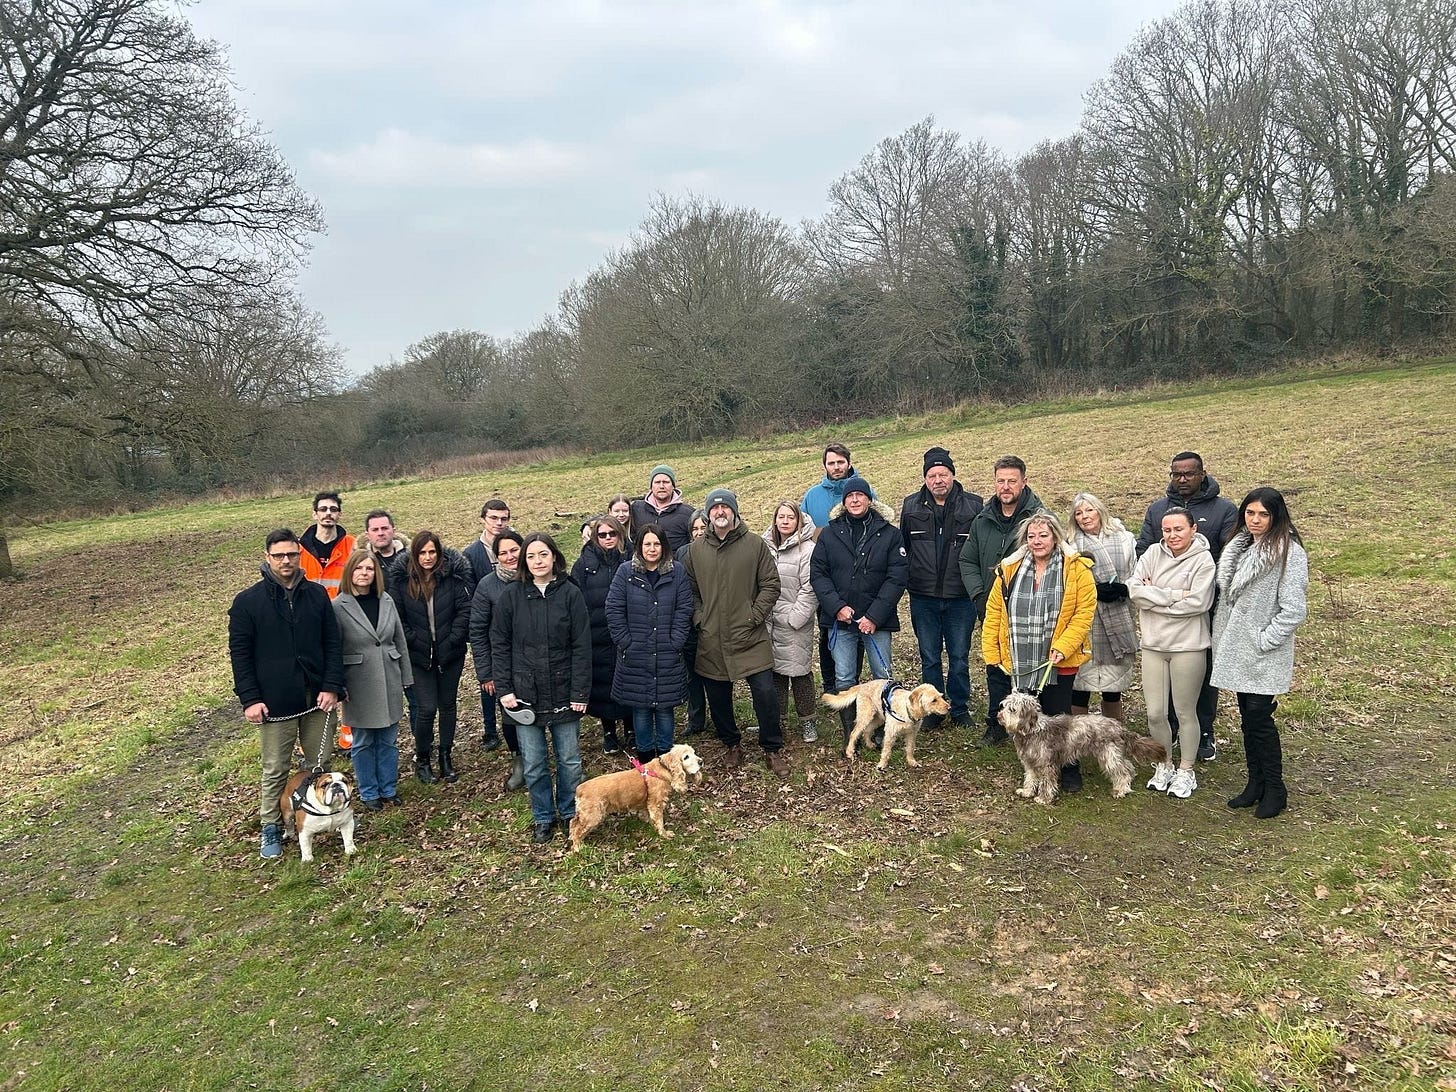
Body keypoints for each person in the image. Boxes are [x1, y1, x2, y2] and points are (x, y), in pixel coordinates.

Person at [227, 529, 343, 859]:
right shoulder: (248, 602)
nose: (286, 561)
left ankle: (322, 816)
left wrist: (332, 685)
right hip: (274, 703)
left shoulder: (317, 596)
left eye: (292, 554)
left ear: (299, 556)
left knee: (319, 764)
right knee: (275, 768)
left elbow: (332, 643)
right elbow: (240, 653)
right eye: (279, 555)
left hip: (316, 700)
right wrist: (249, 698)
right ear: (267, 558)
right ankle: (271, 826)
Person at [1210, 487, 1309, 819]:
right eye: (1250, 513)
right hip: (1236, 648)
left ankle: (1276, 789)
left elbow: (1293, 610)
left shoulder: (1289, 553)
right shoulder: (1238, 546)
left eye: (1263, 514)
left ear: (1276, 516)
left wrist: (1264, 640)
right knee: (1247, 718)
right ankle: (1255, 783)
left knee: (1260, 719)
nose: (1255, 520)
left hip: (1263, 651)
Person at [982, 511, 1096, 792]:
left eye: (1043, 535)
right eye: (1031, 536)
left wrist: (1063, 646)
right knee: (1028, 719)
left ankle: (1069, 770)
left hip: (1059, 659)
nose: (1037, 541)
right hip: (1019, 659)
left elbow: (1084, 613)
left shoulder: (1076, 569)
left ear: (1056, 536)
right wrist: (992, 653)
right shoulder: (1009, 569)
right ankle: (1035, 767)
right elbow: (994, 612)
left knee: (1059, 717)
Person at [1135, 450, 1239, 762]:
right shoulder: (1158, 509)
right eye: (1176, 474)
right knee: (1163, 686)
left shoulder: (1224, 509)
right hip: (1158, 627)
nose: (1182, 479)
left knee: (1199, 676)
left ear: (1202, 474)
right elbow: (1143, 555)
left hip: (1205, 610)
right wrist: (1172, 593)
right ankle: (1171, 733)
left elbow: (1227, 555)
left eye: (1188, 474)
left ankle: (1203, 731)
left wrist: (1168, 592)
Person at [490, 532, 592, 844]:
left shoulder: (570, 594)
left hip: (564, 693)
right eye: (532, 556)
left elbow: (582, 646)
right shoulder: (511, 596)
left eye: (543, 555)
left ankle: (568, 812)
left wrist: (579, 693)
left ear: (554, 558)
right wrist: (505, 688)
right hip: (524, 695)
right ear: (524, 561)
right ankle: (543, 816)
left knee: (570, 761)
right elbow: (500, 644)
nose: (538, 561)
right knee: (534, 764)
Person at [685, 487, 789, 777]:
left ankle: (771, 748)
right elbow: (690, 591)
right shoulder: (695, 550)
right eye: (715, 509)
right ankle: (732, 744)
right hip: (712, 638)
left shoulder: (754, 545)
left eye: (725, 508)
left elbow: (771, 585)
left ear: (734, 511)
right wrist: (700, 619)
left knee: (765, 695)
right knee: (718, 698)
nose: (720, 512)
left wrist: (754, 616)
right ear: (708, 514)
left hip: (750, 635)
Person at [810, 474, 908, 745]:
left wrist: (874, 616)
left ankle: (881, 731)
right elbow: (819, 574)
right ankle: (851, 732)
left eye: (860, 495)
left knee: (883, 676)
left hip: (877, 621)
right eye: (850, 496)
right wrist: (837, 607)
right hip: (841, 620)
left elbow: (896, 577)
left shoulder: (890, 534)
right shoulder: (830, 533)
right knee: (844, 676)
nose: (855, 499)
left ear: (869, 499)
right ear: (844, 502)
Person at [1128, 508, 1216, 799]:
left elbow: (1199, 603)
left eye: (1179, 529)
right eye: (1167, 530)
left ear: (1193, 529)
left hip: (1188, 646)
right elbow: (1134, 590)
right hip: (1153, 644)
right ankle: (1163, 764)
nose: (1172, 535)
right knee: (1154, 713)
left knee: (1184, 711)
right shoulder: (1152, 553)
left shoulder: (1203, 559)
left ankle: (1186, 770)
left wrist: (1156, 595)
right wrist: (1176, 594)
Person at [958, 455, 1044, 745]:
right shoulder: (983, 520)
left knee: (1029, 668)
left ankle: (1031, 728)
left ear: (1024, 482)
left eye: (1011, 481)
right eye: (1000, 481)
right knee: (995, 667)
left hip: (1030, 610)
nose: (1005, 486)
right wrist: (980, 596)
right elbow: (967, 559)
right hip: (992, 610)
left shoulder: (1038, 518)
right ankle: (996, 727)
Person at [901, 446, 983, 729]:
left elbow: (979, 551)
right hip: (923, 596)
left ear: (952, 475)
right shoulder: (910, 506)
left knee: (959, 656)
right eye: (932, 475)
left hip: (960, 597)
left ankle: (959, 708)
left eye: (943, 474)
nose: (938, 480)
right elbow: (905, 548)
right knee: (930, 656)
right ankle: (933, 711)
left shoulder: (973, 506)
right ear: (925, 479)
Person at [605, 523, 695, 761]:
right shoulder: (626, 572)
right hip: (636, 653)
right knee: (641, 708)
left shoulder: (676, 572)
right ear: (639, 546)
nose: (652, 548)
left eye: (657, 544)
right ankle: (644, 756)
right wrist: (626, 642)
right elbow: (613, 609)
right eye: (647, 544)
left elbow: (684, 609)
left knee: (665, 708)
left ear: (664, 546)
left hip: (667, 652)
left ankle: (666, 756)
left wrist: (675, 640)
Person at [389, 530, 471, 785]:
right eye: (422, 552)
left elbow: (464, 610)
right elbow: (397, 617)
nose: (427, 557)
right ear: (414, 554)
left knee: (448, 705)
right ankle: (423, 758)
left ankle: (446, 755)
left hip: (450, 653)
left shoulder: (451, 578)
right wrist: (414, 640)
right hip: (418, 656)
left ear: (439, 553)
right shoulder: (402, 582)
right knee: (426, 709)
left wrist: (453, 639)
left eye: (432, 552)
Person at [333, 549, 411, 810]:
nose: (364, 573)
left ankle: (388, 788)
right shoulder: (338, 605)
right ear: (349, 572)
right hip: (358, 681)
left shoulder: (386, 600)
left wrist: (406, 677)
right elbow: (333, 648)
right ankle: (369, 792)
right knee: (364, 741)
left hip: (388, 676)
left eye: (369, 569)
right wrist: (337, 685)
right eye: (359, 568)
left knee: (388, 740)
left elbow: (399, 638)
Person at [803, 442, 873, 694]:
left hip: (860, 577)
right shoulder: (813, 496)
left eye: (840, 462)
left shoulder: (863, 491)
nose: (836, 467)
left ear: (849, 463)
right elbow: (804, 532)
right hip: (827, 577)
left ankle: (851, 681)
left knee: (857, 629)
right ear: (825, 466)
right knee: (827, 632)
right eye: (831, 463)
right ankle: (831, 684)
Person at [1067, 493, 1138, 723]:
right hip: (1085, 618)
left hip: (1118, 613)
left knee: (1112, 685)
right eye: (1079, 513)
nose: (1084, 517)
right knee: (1080, 685)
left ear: (1100, 511)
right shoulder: (1071, 544)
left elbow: (1135, 572)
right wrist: (1091, 590)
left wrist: (1122, 589)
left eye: (1089, 510)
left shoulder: (1125, 539)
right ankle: (1079, 738)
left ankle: (1113, 733)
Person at [470, 529, 526, 790]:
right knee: (510, 714)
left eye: (514, 550)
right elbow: (478, 632)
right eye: (503, 552)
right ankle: (519, 760)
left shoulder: (536, 576)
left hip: (537, 658)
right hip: (503, 661)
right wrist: (486, 673)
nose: (510, 556)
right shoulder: (487, 585)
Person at [572, 514, 630, 754]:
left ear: (620, 534)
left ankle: (631, 728)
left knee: (628, 681)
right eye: (602, 534)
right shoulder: (583, 564)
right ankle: (609, 731)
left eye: (612, 534)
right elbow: (575, 598)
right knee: (603, 683)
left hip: (626, 631)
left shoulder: (629, 559)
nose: (607, 538)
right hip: (596, 633)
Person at [763, 500, 819, 743]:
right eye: (781, 517)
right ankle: (778, 721)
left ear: (798, 521)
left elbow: (810, 587)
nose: (785, 521)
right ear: (775, 520)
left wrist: (795, 617)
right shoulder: (765, 547)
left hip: (795, 622)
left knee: (800, 673)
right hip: (769, 621)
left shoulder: (807, 549)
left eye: (790, 517)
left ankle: (808, 721)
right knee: (775, 674)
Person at [675, 510, 709, 737]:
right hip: (688, 622)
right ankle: (696, 719)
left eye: (703, 529)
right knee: (692, 674)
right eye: (694, 529)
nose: (698, 533)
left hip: (712, 621)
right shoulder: (682, 553)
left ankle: (720, 715)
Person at [298, 491, 355, 599]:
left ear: (339, 514)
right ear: (315, 514)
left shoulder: (352, 545)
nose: (328, 513)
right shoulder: (299, 548)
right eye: (323, 509)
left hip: (341, 611)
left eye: (333, 509)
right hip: (309, 610)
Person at [630, 465, 695, 553]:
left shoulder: (688, 513)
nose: (661, 486)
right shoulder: (636, 509)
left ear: (673, 486)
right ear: (651, 486)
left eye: (666, 482)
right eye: (657, 482)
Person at [462, 499, 512, 587]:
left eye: (503, 519)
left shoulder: (520, 546)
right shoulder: (471, 554)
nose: (499, 523)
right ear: (483, 519)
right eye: (494, 518)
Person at [361, 509, 410, 582]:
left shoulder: (411, 558)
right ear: (367, 535)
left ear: (393, 531)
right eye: (375, 530)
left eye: (384, 528)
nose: (380, 533)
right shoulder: (359, 562)